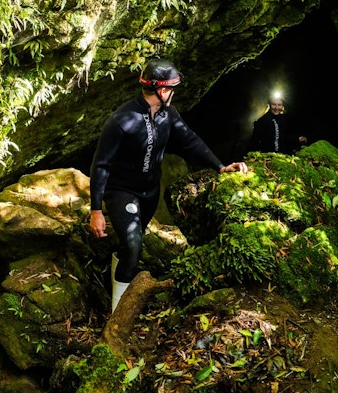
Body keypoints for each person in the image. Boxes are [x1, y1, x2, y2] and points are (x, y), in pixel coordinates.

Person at [89, 58, 248, 312]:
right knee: (133, 244)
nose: (173, 94)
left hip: (150, 192)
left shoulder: (167, 114)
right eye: (172, 89)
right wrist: (96, 210)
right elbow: (101, 165)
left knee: (132, 244)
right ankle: (118, 311)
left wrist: (220, 166)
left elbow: (190, 140)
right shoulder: (121, 120)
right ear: (162, 91)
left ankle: (119, 265)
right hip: (122, 192)